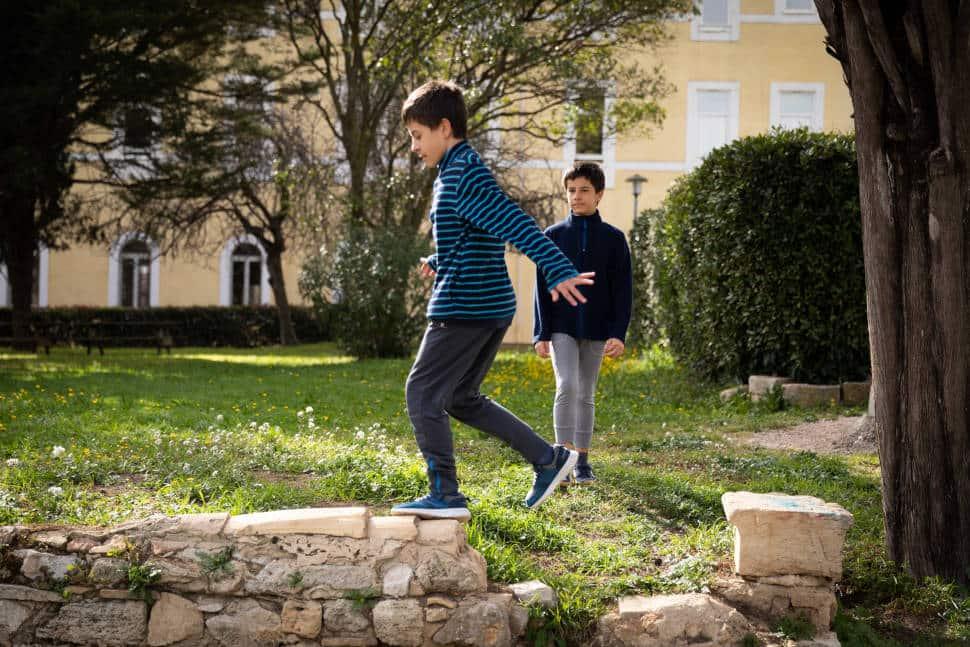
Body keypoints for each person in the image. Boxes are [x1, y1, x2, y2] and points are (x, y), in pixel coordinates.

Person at [390, 80, 595, 521]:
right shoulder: (454, 170)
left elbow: (512, 221)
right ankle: (549, 459)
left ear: (444, 127)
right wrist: (437, 258)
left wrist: (557, 267)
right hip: (484, 301)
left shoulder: (464, 172)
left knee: (422, 393)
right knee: (460, 397)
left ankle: (444, 495)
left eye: (417, 135)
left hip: (465, 305)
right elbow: (472, 233)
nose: (414, 146)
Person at [533, 162, 632, 483]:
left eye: (584, 190)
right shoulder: (552, 236)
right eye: (571, 191)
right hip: (561, 327)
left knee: (586, 392)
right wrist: (541, 333)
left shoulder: (614, 240)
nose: (576, 197)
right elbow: (541, 288)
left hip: (598, 328)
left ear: (599, 194)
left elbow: (623, 291)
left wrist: (618, 333)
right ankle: (562, 458)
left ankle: (583, 461)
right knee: (568, 386)